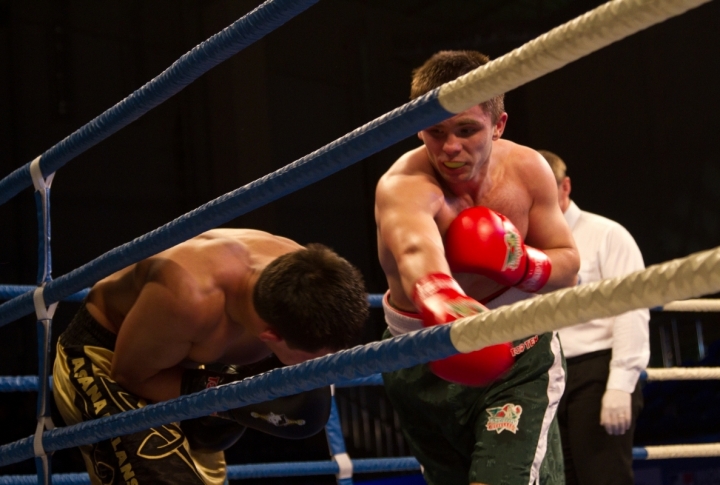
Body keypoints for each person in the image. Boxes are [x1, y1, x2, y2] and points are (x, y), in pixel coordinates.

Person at [374, 50, 580, 485]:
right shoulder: (403, 186)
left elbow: (569, 264)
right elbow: (416, 254)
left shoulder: (527, 170)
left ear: (499, 125)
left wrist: (519, 263)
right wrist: (444, 301)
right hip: (420, 358)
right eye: (435, 131)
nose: (450, 148)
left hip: (519, 351)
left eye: (467, 130)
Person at [52, 228, 369, 485]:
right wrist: (232, 396)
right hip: (110, 359)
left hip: (186, 357)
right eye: (310, 359)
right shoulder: (189, 297)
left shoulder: (305, 276)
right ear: (270, 336)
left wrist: (229, 394)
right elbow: (130, 376)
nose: (321, 371)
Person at [541, 149, 650, 485]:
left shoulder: (607, 234)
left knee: (604, 478)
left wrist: (620, 384)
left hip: (597, 371)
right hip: (546, 376)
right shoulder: (524, 245)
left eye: (548, 188)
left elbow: (632, 309)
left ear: (565, 187)